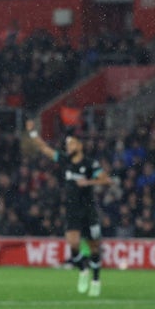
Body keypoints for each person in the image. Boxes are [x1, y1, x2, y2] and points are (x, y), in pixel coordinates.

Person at [25, 119, 112, 296]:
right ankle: (83, 270)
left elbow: (106, 179)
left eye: (71, 143)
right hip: (72, 210)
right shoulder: (65, 161)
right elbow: (44, 148)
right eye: (67, 144)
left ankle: (96, 279)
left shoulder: (89, 164)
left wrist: (88, 181)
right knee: (73, 245)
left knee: (94, 246)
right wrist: (33, 133)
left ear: (79, 145)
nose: (69, 146)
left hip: (89, 211)